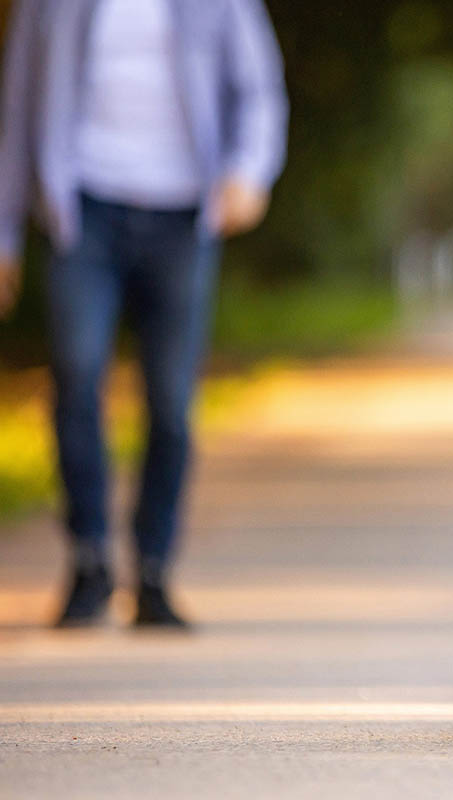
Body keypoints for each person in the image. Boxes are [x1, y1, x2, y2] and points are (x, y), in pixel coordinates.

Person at [0, 0, 288, 627]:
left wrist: (249, 171)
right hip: (83, 213)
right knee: (76, 378)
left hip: (185, 216)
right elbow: (17, 112)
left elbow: (258, 91)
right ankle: (88, 561)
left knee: (170, 400)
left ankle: (153, 571)